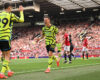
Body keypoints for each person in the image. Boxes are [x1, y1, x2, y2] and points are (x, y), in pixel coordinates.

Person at [0, 3, 24, 79]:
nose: (12, 9)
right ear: (9, 7)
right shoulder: (10, 15)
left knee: (4, 56)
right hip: (6, 37)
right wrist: (21, 11)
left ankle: (9, 71)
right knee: (7, 56)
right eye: (11, 7)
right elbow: (22, 20)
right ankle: (2, 73)